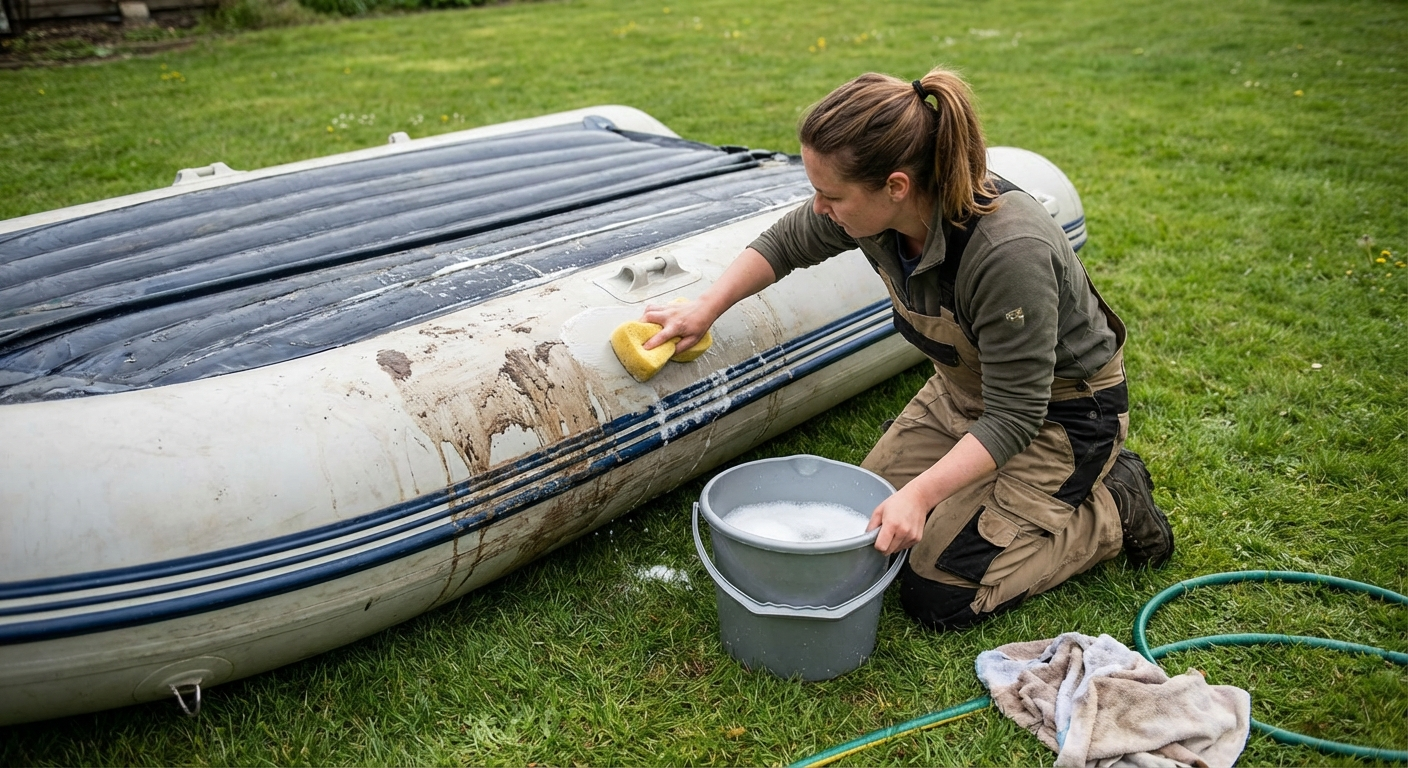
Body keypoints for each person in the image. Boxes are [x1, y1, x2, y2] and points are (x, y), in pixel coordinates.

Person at [642, 67, 1174, 631]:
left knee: (937, 592)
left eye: (831, 195)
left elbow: (1016, 413)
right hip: (964, 393)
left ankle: (1114, 503)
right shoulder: (876, 211)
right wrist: (703, 310)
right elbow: (788, 240)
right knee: (863, 528)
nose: (820, 208)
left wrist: (921, 496)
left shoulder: (1007, 252)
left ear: (896, 186)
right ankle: (991, 498)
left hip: (1059, 416)